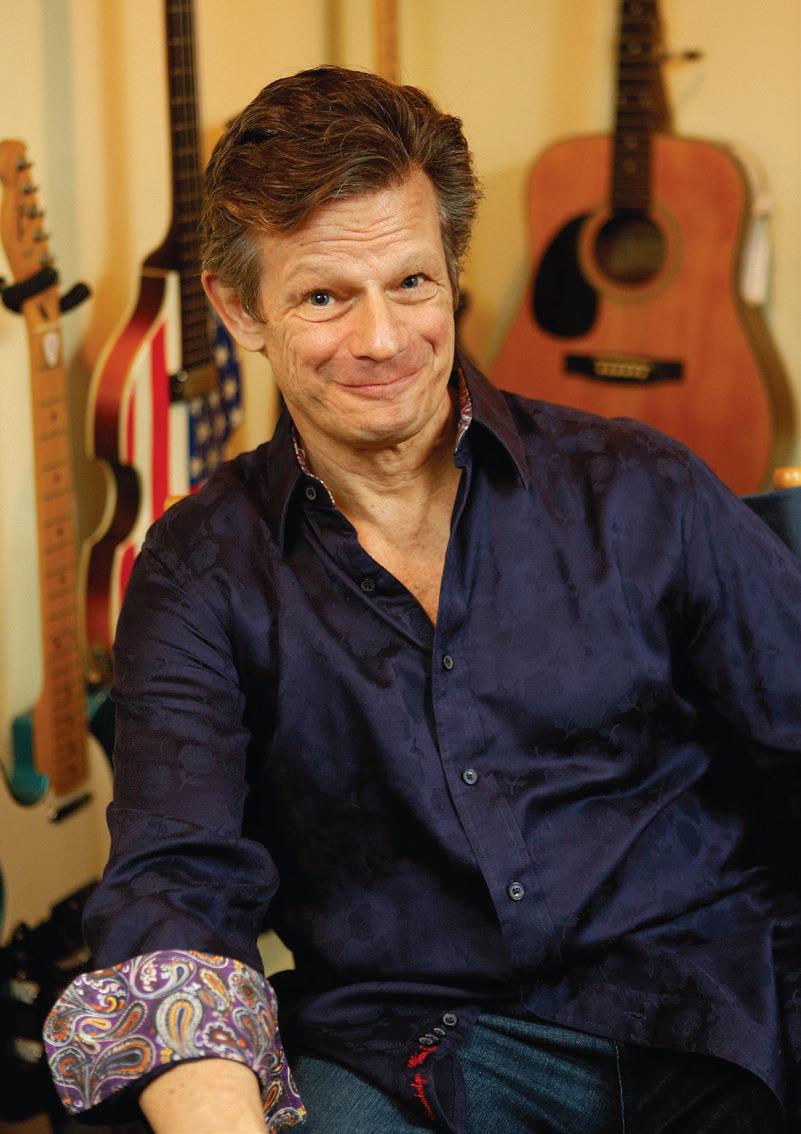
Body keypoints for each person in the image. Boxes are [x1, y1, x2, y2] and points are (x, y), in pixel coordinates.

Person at [43, 66, 801, 1134]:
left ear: (453, 274)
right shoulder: (197, 566)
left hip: (712, 1014)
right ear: (239, 308)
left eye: (410, 283)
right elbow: (176, 883)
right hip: (414, 1047)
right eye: (323, 297)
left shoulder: (644, 488)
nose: (383, 340)